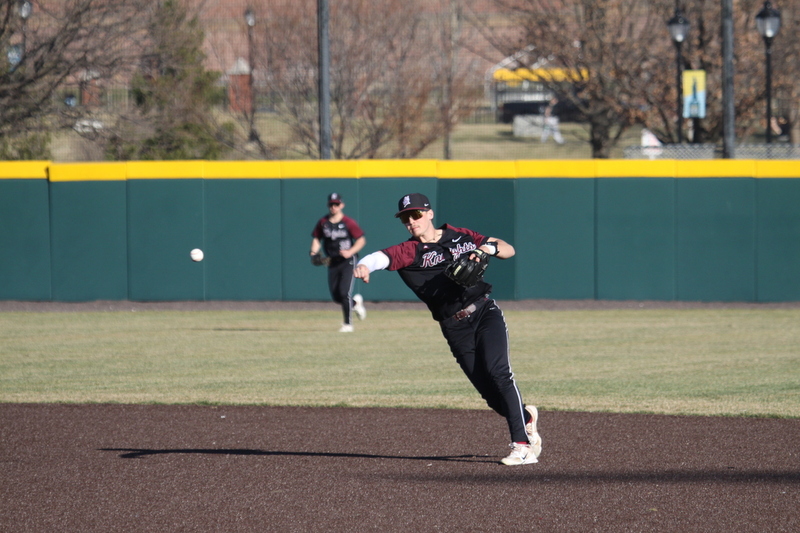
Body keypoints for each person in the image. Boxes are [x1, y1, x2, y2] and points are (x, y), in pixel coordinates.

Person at [354, 193, 542, 465]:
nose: (411, 221)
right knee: (490, 395)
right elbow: (380, 257)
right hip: (454, 328)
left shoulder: (460, 236)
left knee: (499, 373)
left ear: (430, 214)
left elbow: (507, 248)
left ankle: (522, 446)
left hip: (484, 312)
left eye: (416, 214)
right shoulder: (410, 251)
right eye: (406, 217)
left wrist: (487, 248)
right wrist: (364, 265)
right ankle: (526, 419)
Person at [310, 192, 367, 333]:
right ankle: (355, 304)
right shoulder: (323, 223)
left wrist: (351, 251)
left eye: (336, 204)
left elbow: (361, 240)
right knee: (336, 296)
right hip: (332, 261)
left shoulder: (348, 222)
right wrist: (313, 253)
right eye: (331, 204)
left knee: (344, 292)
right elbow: (317, 239)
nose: (333, 207)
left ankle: (348, 324)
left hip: (348, 260)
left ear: (341, 205)